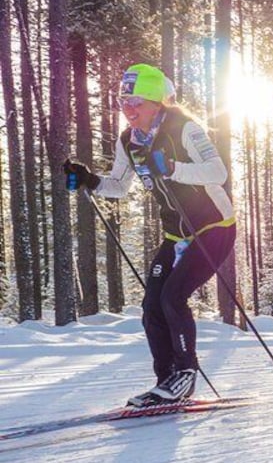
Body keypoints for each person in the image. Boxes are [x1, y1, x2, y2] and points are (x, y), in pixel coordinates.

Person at [64, 63, 235, 406]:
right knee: (151, 305)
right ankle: (166, 380)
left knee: (173, 297)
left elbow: (218, 172)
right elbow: (119, 186)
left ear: (157, 102)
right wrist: (89, 180)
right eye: (123, 102)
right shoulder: (128, 140)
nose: (128, 110)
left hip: (214, 227)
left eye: (136, 102)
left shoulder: (184, 128)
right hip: (176, 234)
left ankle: (185, 376)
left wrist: (173, 168)